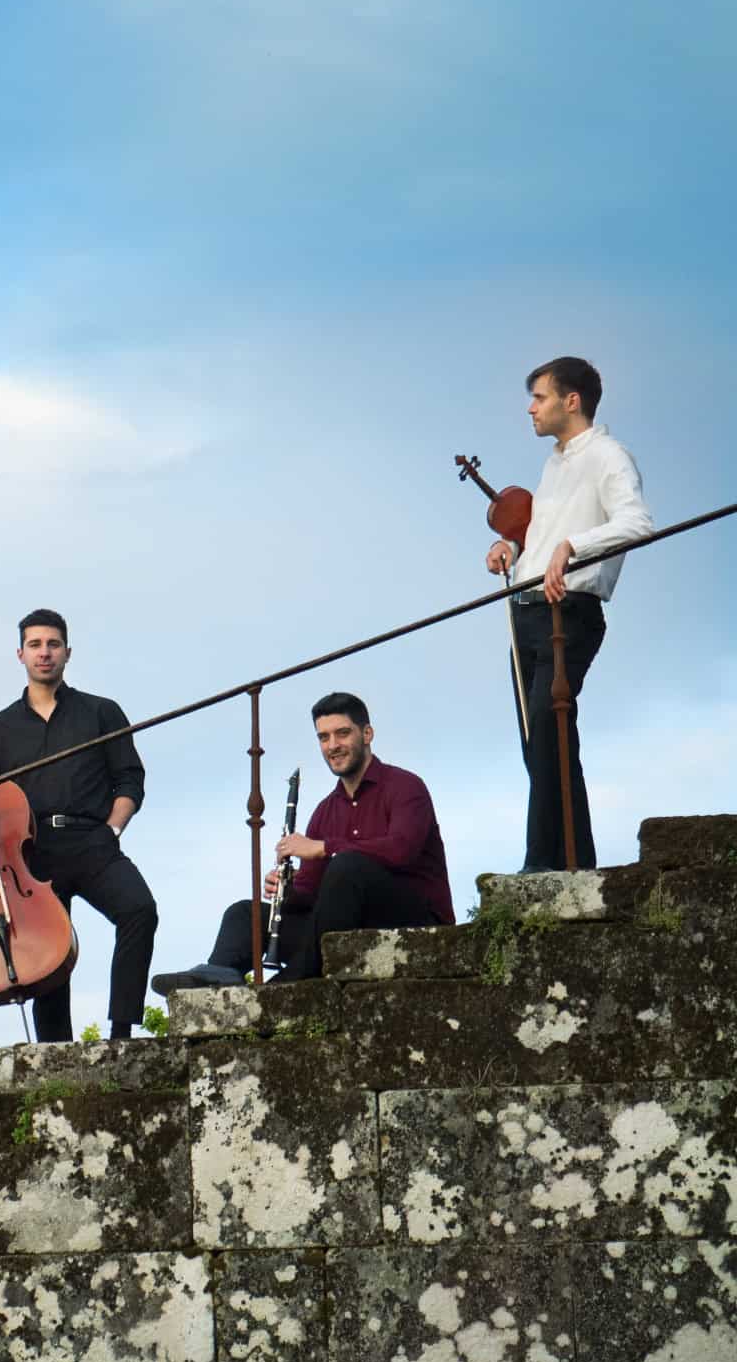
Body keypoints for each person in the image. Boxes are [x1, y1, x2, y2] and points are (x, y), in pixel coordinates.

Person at [0, 607, 157, 1044]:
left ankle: (121, 1033)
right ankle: (55, 1052)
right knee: (46, 954)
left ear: (67, 652)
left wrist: (112, 829)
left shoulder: (102, 712)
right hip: (31, 854)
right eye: (36, 645)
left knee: (139, 909)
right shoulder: (0, 728)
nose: (45, 653)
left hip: (92, 841)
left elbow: (129, 780)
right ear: (20, 654)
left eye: (53, 644)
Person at [152, 691, 453, 991]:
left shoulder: (405, 786)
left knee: (349, 865)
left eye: (342, 733)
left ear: (367, 734)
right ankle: (215, 977)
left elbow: (402, 849)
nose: (332, 746)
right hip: (341, 926)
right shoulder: (326, 810)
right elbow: (312, 892)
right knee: (245, 914)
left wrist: (323, 847)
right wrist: (289, 888)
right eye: (323, 737)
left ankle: (285, 986)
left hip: (415, 920)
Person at [486, 357, 652, 872]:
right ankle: (571, 862)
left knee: (546, 730)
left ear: (571, 400)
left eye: (539, 397)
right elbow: (544, 536)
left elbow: (638, 522)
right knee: (544, 744)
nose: (531, 409)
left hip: (568, 613)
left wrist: (572, 547)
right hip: (527, 611)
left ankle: (542, 865)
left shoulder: (609, 456)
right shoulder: (554, 463)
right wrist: (513, 547)